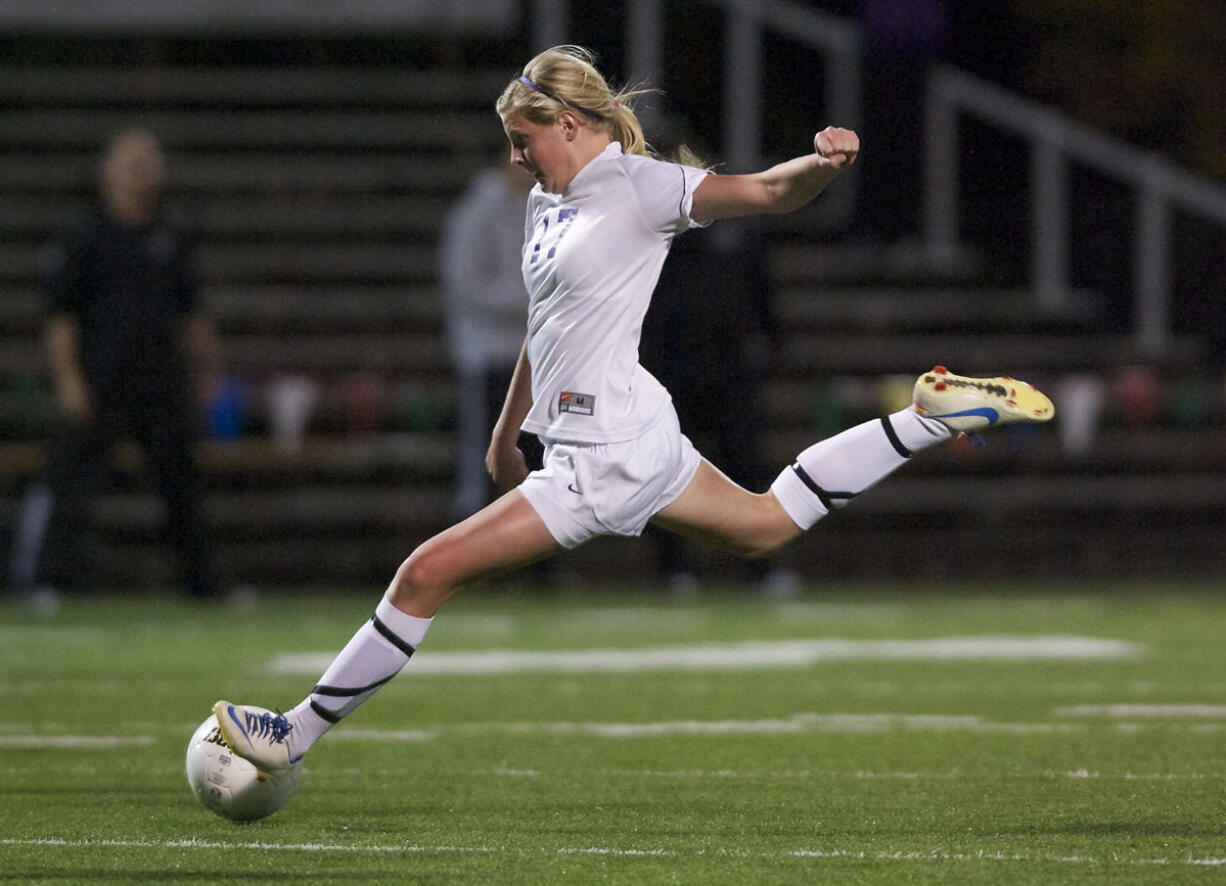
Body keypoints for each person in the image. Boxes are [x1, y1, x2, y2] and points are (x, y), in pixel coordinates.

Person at [213, 46, 1053, 771]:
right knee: (765, 526)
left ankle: (293, 733)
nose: (514, 161)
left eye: (522, 141)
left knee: (423, 574)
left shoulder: (638, 185)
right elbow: (545, 327)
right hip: (609, 432)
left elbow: (762, 194)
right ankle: (927, 417)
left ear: (570, 123)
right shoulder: (548, 204)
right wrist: (510, 432)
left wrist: (821, 164)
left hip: (604, 453)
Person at [8, 130, 222, 602]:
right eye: (131, 163)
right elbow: (61, 316)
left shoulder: (171, 234)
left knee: (183, 485)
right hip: (101, 383)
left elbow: (192, 315)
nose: (140, 173)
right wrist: (69, 381)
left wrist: (206, 373)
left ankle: (203, 586)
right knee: (63, 482)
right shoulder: (85, 235)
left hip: (161, 383)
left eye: (148, 163)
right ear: (108, 171)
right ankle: (40, 578)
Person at [439, 160, 541, 520]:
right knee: (487, 454)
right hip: (488, 354)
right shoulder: (477, 212)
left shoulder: (538, 206)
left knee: (535, 459)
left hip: (532, 354)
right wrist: (529, 303)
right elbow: (465, 284)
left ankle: (536, 561)